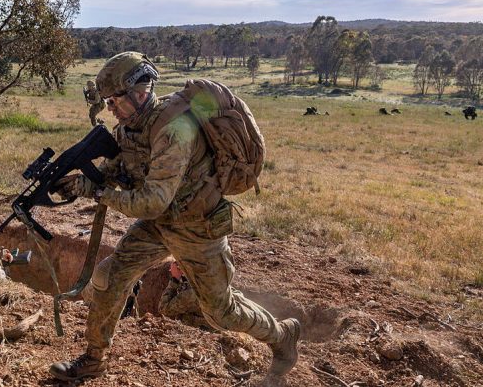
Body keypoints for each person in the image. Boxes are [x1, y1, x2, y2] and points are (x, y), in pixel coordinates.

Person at [49, 52, 300, 382]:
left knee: (220, 312)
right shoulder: (130, 128)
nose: (110, 108)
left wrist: (94, 192)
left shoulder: (174, 130)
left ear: (140, 92)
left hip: (198, 228)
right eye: (107, 102)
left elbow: (152, 202)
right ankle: (94, 358)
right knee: (110, 278)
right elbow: (124, 171)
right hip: (159, 226)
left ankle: (282, 337)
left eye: (115, 100)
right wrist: (79, 180)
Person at [158, 261, 210, 330]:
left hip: (197, 334)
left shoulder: (192, 293)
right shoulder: (213, 283)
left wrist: (175, 279)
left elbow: (163, 309)